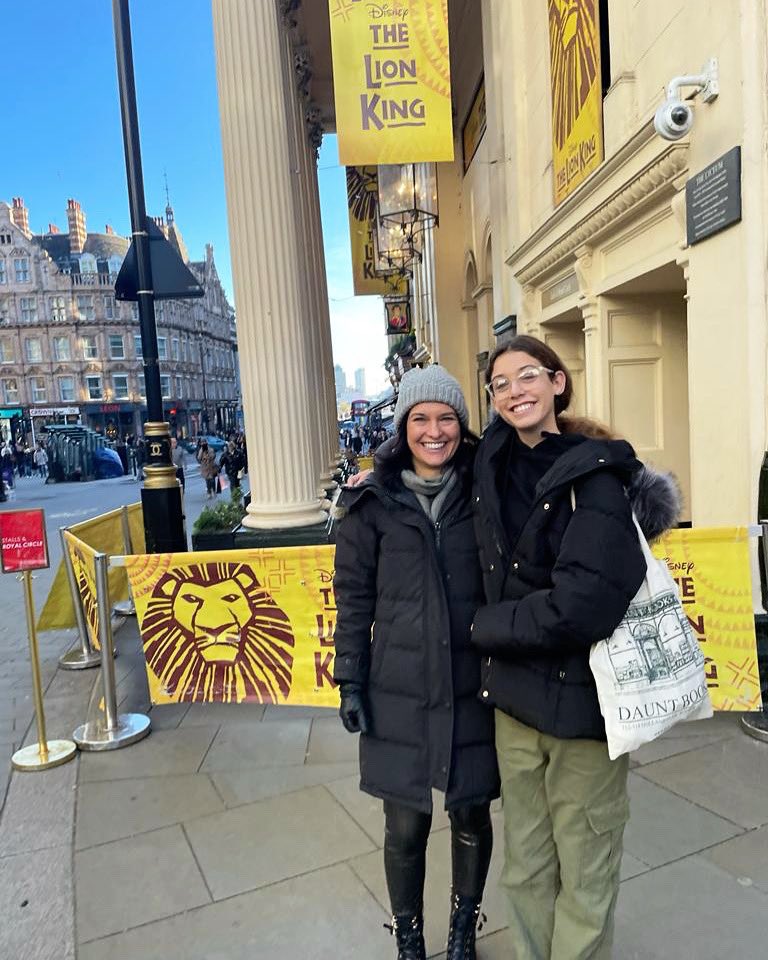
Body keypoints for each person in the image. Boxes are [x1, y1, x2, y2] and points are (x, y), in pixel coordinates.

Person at [470, 335, 680, 959]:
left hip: (584, 708)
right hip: (512, 705)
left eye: (527, 375)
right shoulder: (489, 466)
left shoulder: (599, 477)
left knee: (585, 872)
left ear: (558, 383)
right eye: (500, 383)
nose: (515, 391)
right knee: (526, 869)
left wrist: (485, 627)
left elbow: (581, 607)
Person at [333, 366, 499, 960]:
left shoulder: (486, 493)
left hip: (472, 683)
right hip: (397, 686)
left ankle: (462, 929)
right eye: (421, 419)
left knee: (470, 813)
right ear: (403, 427)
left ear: (461, 425)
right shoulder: (370, 504)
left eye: (447, 417)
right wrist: (349, 678)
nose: (435, 431)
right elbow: (352, 598)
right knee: (405, 826)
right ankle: (409, 937)